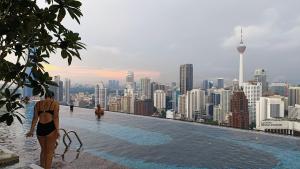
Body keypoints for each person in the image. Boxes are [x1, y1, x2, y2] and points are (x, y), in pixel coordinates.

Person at [26, 91, 60, 169]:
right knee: (49, 152)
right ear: (52, 97)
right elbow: (56, 118)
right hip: (50, 128)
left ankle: (42, 166)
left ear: (45, 96)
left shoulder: (38, 104)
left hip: (40, 128)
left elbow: (35, 118)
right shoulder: (55, 104)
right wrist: (57, 130)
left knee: (43, 150)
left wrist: (31, 130)